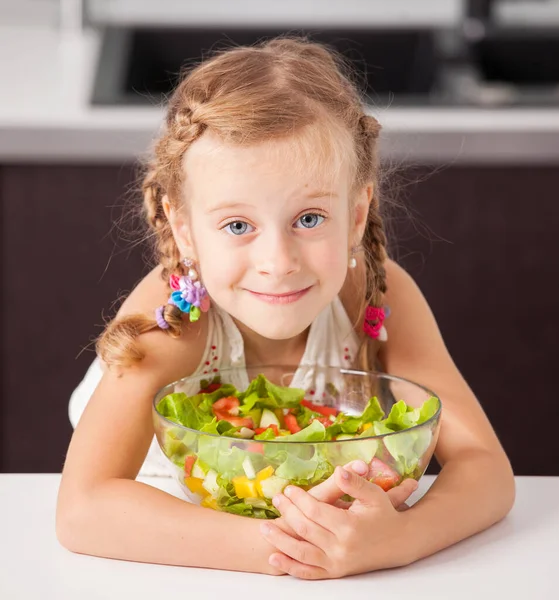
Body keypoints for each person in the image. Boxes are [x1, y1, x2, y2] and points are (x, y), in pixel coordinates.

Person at [56, 36, 515, 579]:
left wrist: (399, 540)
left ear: (357, 212)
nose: (278, 262)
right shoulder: (177, 314)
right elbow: (84, 510)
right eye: (237, 226)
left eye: (309, 219)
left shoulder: (376, 295)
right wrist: (304, 548)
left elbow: (486, 469)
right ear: (185, 230)